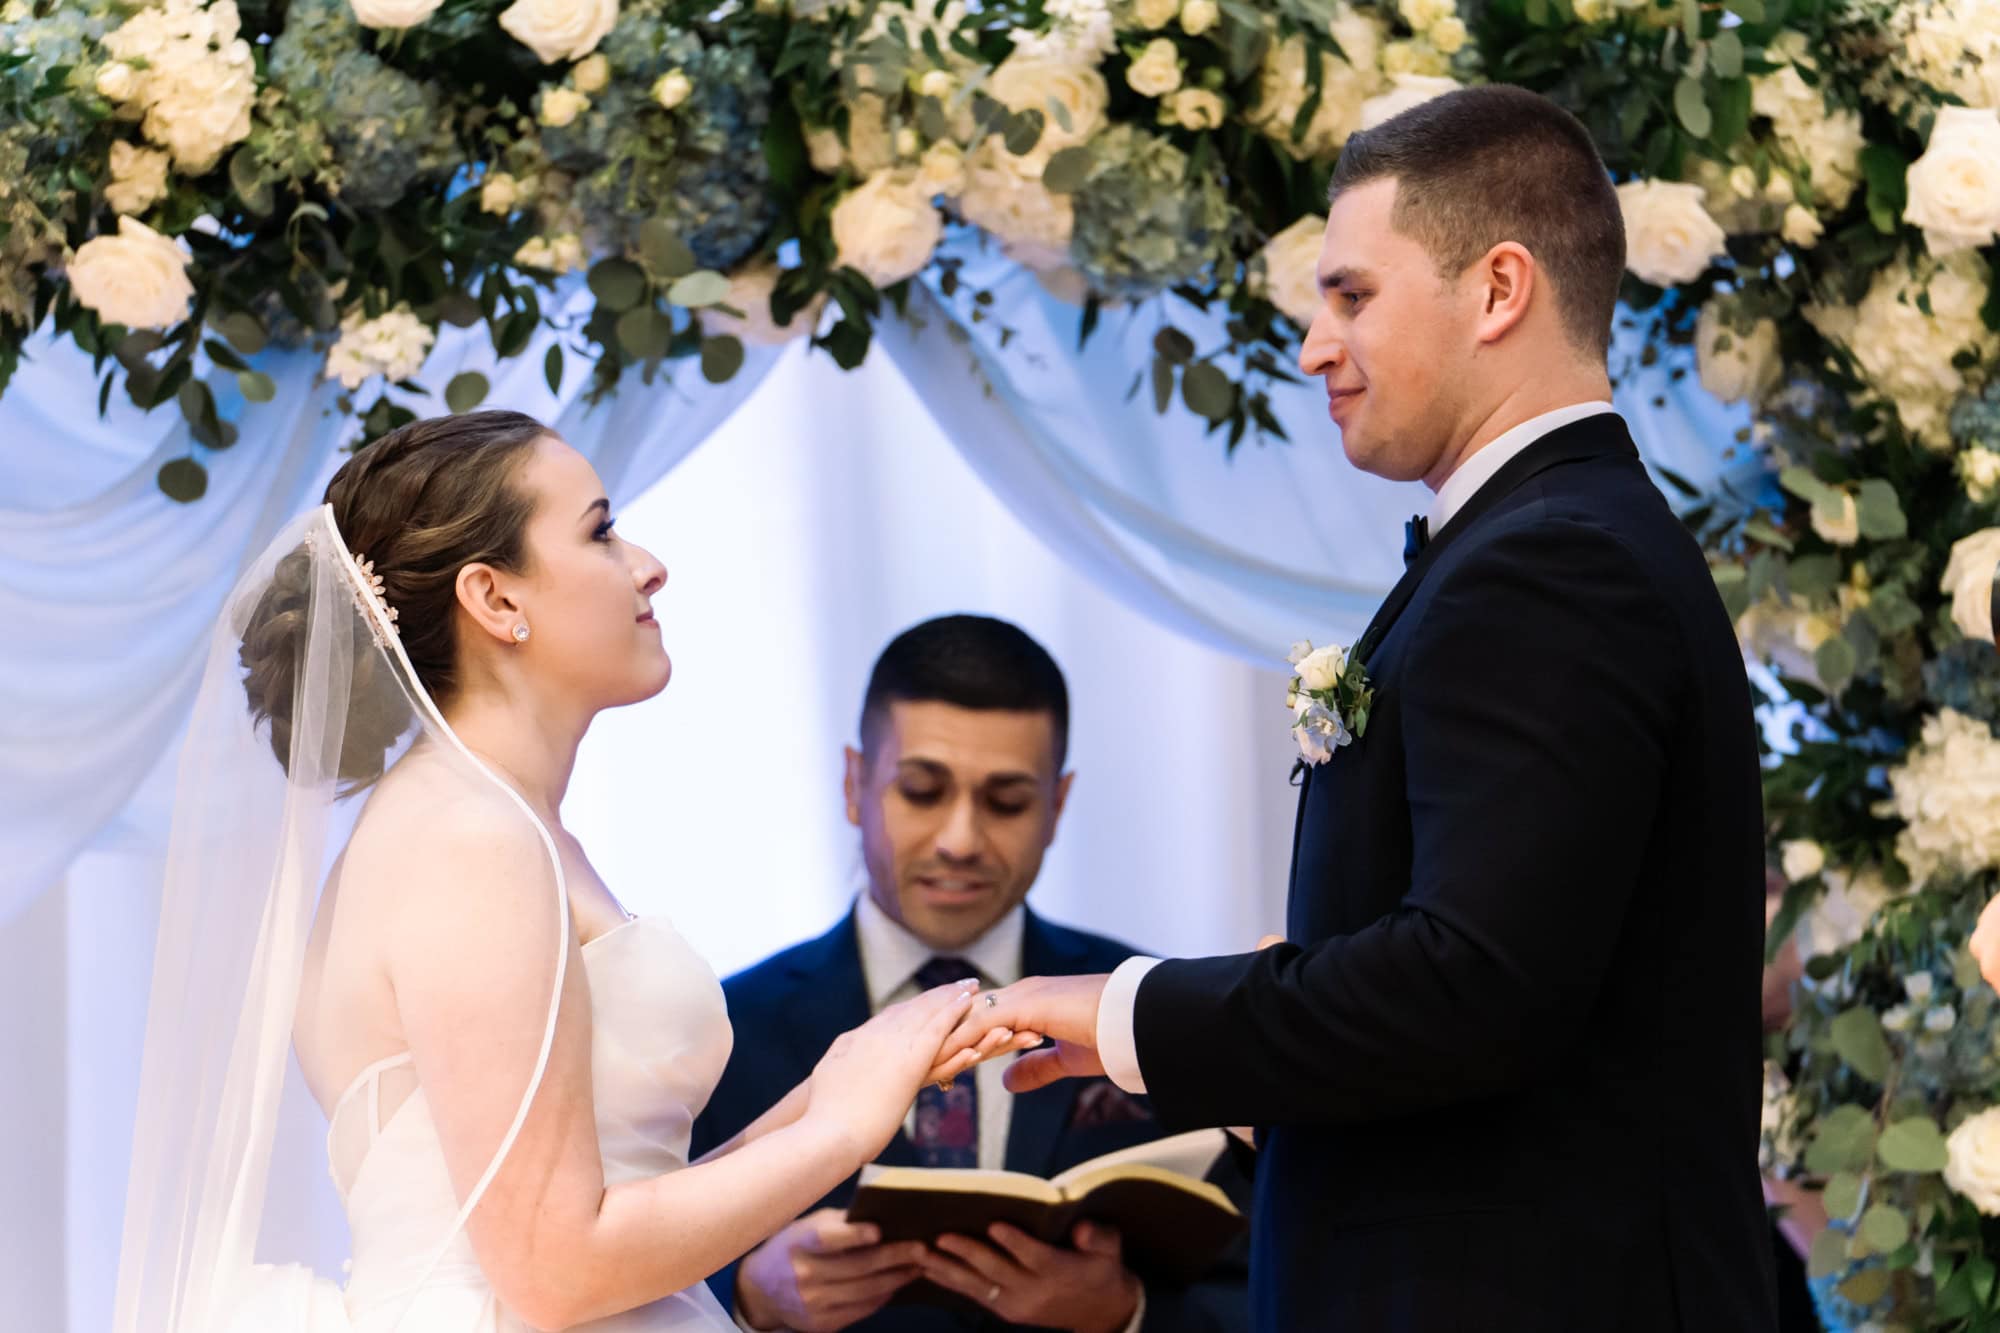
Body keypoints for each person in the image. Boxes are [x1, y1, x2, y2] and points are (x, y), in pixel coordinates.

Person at [939, 86, 1779, 1330]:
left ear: (1497, 291)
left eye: (1350, 296)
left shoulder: (1550, 566)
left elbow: (1469, 986)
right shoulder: (1537, 542)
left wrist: (1131, 1011)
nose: (1311, 346)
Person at [113, 412, 1033, 1333]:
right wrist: (840, 1133)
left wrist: (840, 1085)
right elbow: (555, 1270)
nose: (647, 564)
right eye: (600, 530)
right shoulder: (467, 839)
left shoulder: (498, 822)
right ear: (496, 600)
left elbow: (626, 1191)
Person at [690, 615, 1250, 1333]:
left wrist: (1125, 1312)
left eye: (1007, 801)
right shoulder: (724, 1031)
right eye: (922, 791)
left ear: (1057, 805)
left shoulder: (1150, 1004)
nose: (960, 839)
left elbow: (1266, 1279)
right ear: (855, 784)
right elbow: (617, 1279)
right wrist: (749, 1295)